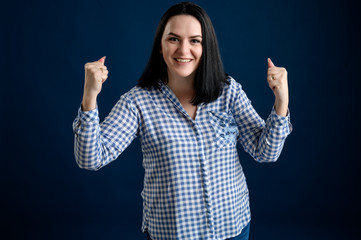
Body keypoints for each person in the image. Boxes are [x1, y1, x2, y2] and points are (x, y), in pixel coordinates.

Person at [72, 2, 292, 240]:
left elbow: (265, 152)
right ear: (160, 45)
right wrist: (90, 95)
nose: (183, 50)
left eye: (195, 40)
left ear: (206, 46)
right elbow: (90, 159)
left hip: (233, 228)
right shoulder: (138, 101)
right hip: (172, 233)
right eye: (174, 39)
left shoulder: (228, 91)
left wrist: (281, 101)